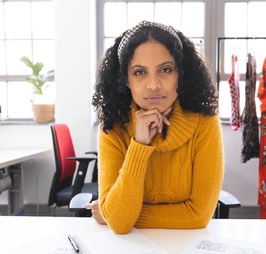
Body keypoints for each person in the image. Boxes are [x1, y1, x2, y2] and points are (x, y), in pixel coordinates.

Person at [91, 21, 224, 234]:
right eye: (139, 72)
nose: (153, 84)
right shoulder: (112, 127)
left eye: (165, 69)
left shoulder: (205, 123)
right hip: (129, 252)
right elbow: (119, 223)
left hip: (188, 249)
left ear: (180, 74)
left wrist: (114, 212)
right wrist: (139, 145)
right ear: (126, 80)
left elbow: (198, 215)